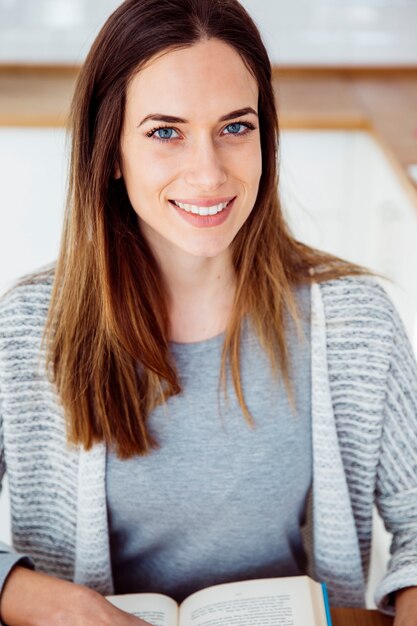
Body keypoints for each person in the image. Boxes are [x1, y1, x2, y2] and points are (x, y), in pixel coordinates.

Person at [0, 0, 417, 624]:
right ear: (111, 152)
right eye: (165, 132)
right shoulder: (27, 328)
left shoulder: (355, 320)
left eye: (235, 127)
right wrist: (49, 603)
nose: (208, 172)